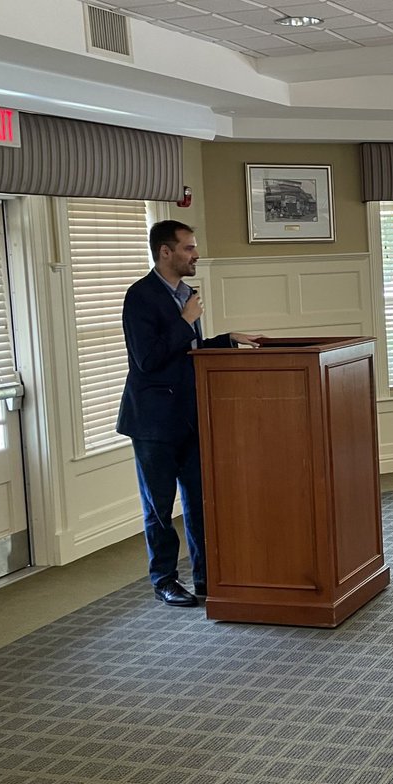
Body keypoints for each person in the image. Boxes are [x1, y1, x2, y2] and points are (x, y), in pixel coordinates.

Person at [117, 220, 263, 608]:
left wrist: (225, 340)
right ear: (166, 252)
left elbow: (187, 351)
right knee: (160, 509)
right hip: (153, 423)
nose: (195, 255)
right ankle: (164, 580)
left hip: (190, 416)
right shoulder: (140, 297)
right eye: (188, 248)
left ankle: (206, 578)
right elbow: (147, 360)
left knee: (201, 502)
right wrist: (184, 321)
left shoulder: (186, 294)